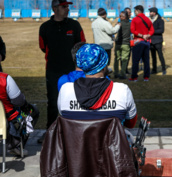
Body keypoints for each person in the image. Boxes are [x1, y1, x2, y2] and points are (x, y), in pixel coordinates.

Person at [58, 43, 137, 129]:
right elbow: (130, 124)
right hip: (111, 142)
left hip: (76, 142)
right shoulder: (122, 91)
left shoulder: (65, 90)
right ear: (104, 66)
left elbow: (66, 119)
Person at [39, 0, 86, 143]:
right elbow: (42, 46)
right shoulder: (45, 27)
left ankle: (76, 132)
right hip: (53, 70)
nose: (67, 9)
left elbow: (82, 44)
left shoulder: (74, 25)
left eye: (68, 6)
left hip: (73, 71)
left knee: (76, 100)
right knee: (53, 102)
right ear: (55, 9)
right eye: (64, 6)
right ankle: (50, 132)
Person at [0, 72, 39, 156]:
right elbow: (19, 101)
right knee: (32, 111)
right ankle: (15, 144)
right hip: (5, 120)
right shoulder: (4, 79)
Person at [129, 5, 154, 82]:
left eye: (134, 11)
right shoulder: (147, 19)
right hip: (146, 42)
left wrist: (142, 35)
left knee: (135, 60)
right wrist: (147, 35)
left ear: (137, 11)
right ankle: (146, 77)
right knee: (146, 60)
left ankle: (134, 77)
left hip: (138, 42)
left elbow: (132, 30)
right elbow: (152, 30)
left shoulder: (135, 19)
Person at [91, 7, 120, 72]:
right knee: (106, 62)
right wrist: (118, 25)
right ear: (105, 14)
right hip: (106, 46)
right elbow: (112, 31)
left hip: (98, 45)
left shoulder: (93, 23)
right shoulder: (104, 23)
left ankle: (101, 74)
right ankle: (105, 74)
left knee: (100, 61)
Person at [149, 7, 166, 75]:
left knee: (160, 56)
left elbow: (161, 30)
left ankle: (164, 69)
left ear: (154, 13)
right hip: (151, 41)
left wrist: (151, 32)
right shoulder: (149, 20)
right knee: (153, 57)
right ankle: (154, 70)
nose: (150, 13)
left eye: (151, 12)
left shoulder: (160, 20)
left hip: (158, 41)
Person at [114, 11, 131, 79]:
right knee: (124, 60)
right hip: (126, 44)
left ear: (124, 17)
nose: (120, 17)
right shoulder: (130, 24)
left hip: (118, 43)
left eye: (121, 16)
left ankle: (116, 73)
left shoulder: (119, 24)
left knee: (116, 59)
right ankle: (122, 74)